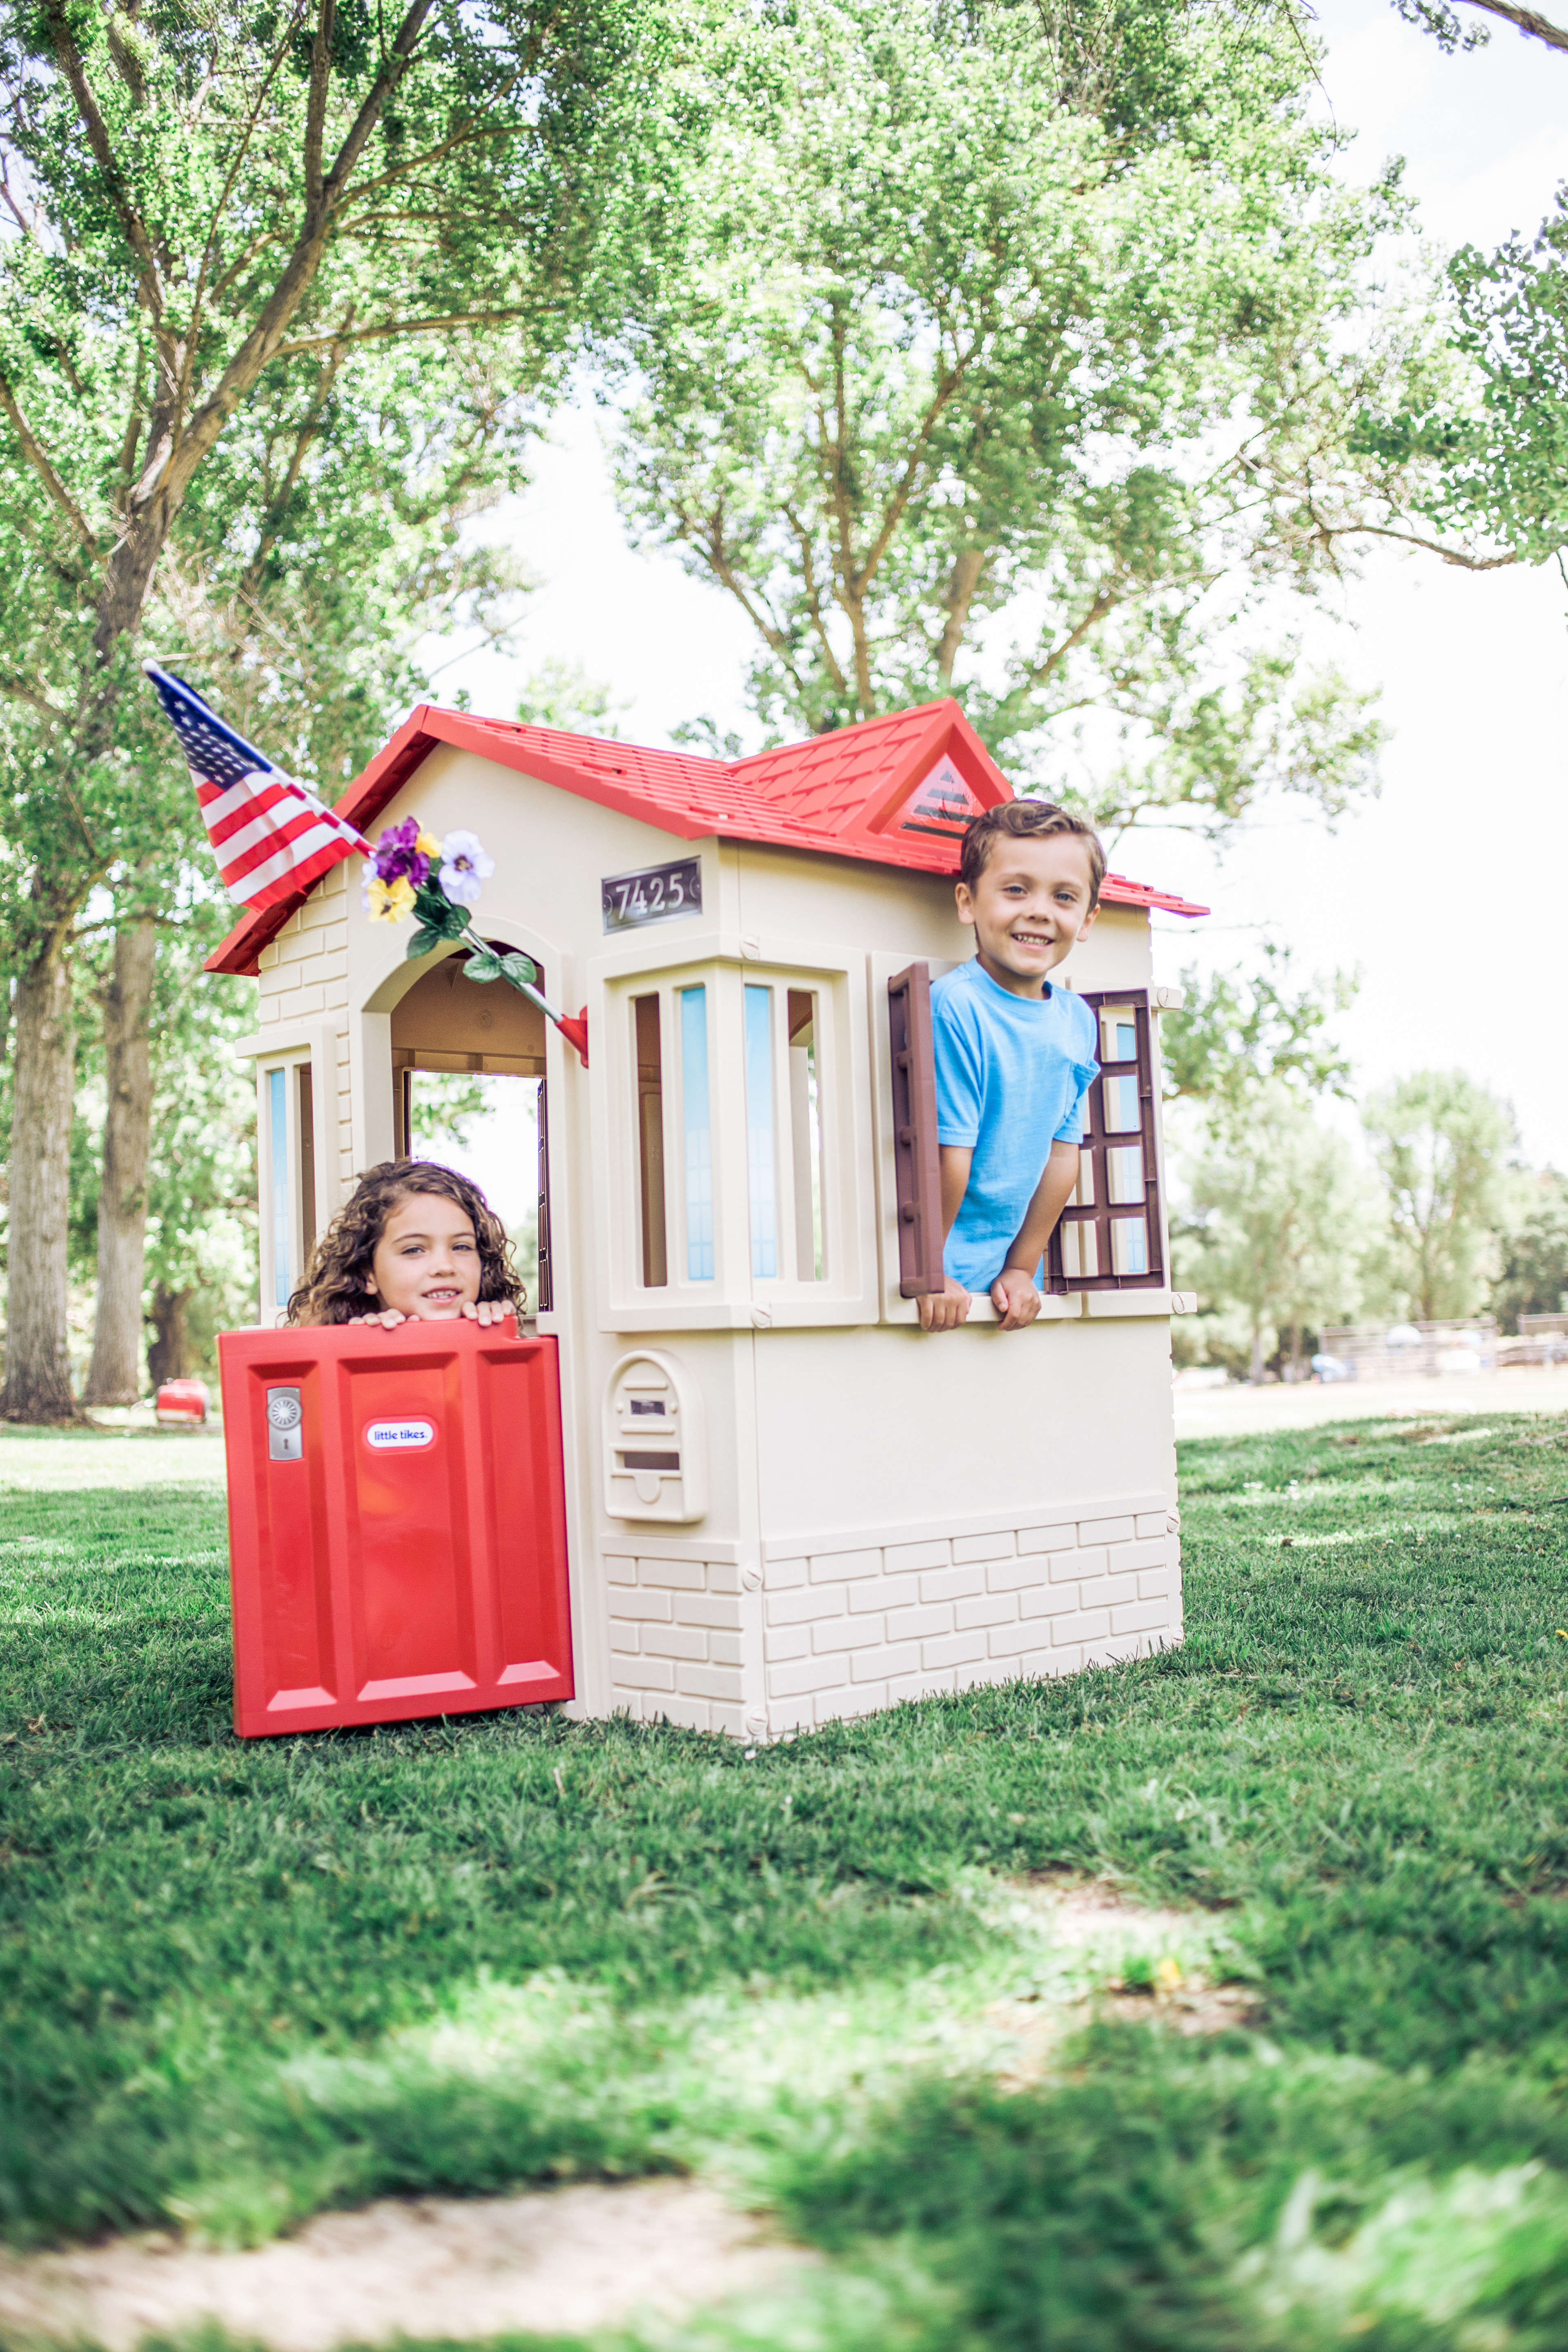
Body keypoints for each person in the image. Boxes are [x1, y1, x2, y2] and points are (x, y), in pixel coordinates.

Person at [919, 800, 1103, 1334]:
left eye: (1064, 897)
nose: (1040, 910)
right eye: (1016, 889)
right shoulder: (957, 1007)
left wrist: (1022, 1269)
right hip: (934, 1278)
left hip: (1001, 1286)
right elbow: (951, 1156)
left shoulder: (1075, 1019)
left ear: (1088, 919)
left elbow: (1060, 1159)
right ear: (967, 902)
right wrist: (932, 1269)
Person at [286, 1158, 524, 1328]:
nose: (444, 1266)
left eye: (461, 1247)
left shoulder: (493, 1326)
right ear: (368, 1274)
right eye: (414, 1250)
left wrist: (497, 1336)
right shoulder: (342, 1337)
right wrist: (357, 1350)